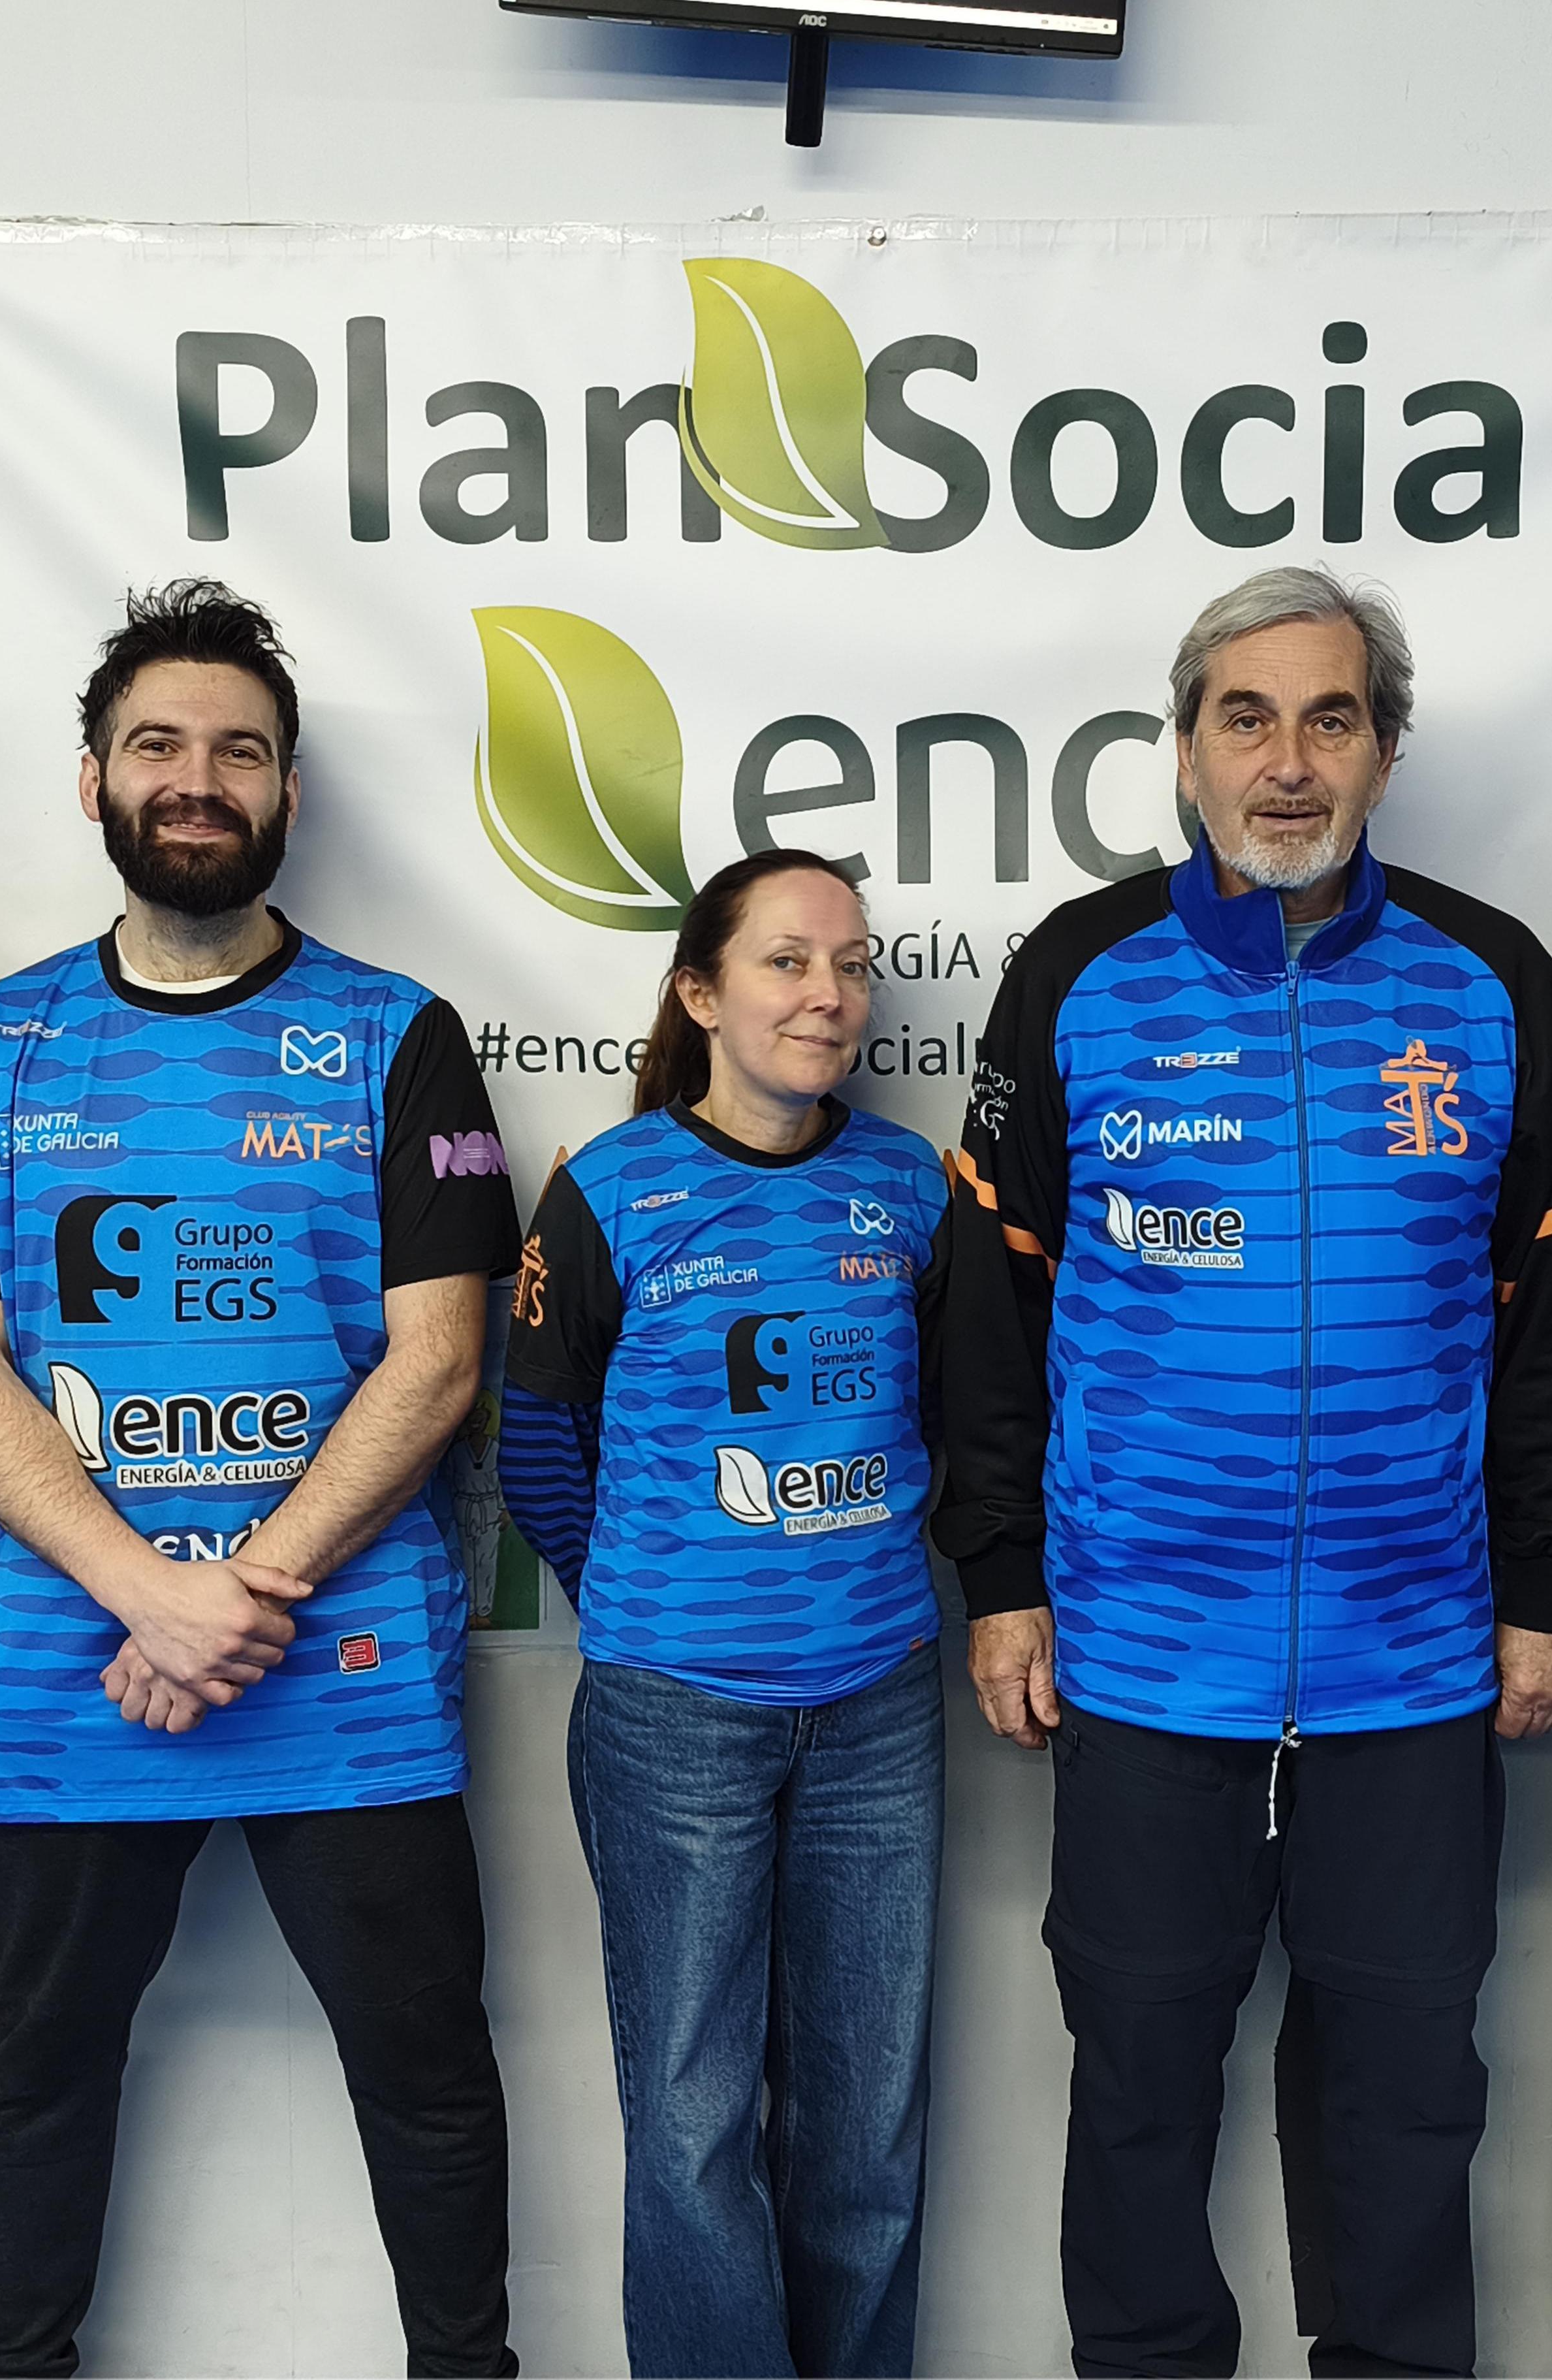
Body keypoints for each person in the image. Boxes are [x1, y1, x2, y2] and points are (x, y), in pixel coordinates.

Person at [932, 565, 1552, 2379]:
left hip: (1415, 1660)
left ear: (1384, 752)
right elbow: (991, 1305)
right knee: (1138, 2081)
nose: (1288, 761)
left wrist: (1551, 1588)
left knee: (1409, 2086)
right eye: (1246, 718)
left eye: (1331, 718)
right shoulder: (1079, 973)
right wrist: (1001, 1576)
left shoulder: (1494, 978)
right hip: (1145, 1655)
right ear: (1184, 751)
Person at [0, 577, 522, 2378]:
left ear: (288, 792)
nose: (196, 778)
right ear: (93, 779)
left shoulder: (398, 1034)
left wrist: (233, 1592)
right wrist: (149, 1593)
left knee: (426, 2074)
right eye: (156, 744)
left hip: (347, 1675)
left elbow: (439, 1359)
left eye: (239, 751)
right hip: (71, 1673)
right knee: (40, 2074)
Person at [494, 850, 960, 2380]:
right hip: (671, 1717)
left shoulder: (910, 1185)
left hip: (878, 1707)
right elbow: (537, 1443)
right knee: (693, 2127)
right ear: (698, 990)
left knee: (865, 2124)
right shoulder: (611, 1188)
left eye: (850, 963)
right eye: (785, 960)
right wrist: (647, 1601)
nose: (829, 993)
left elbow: (954, 1419)